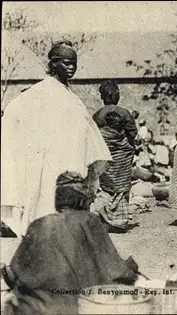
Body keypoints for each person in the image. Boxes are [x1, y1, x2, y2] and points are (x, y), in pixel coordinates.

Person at [0, 40, 111, 238]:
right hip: (48, 165)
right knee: (46, 210)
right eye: (66, 63)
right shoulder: (41, 91)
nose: (71, 68)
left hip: (70, 164)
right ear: (53, 64)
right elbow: (12, 113)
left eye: (74, 64)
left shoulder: (69, 95)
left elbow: (85, 128)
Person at [1, 172, 140, 315]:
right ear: (82, 199)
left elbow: (12, 273)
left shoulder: (38, 224)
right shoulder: (88, 220)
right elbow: (116, 269)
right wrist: (130, 268)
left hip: (37, 308)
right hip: (78, 306)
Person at [91, 80, 138, 232]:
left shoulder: (97, 115)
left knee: (106, 185)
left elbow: (93, 136)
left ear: (103, 97)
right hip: (123, 157)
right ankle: (119, 221)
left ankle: (104, 217)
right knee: (122, 186)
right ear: (117, 96)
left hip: (104, 155)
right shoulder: (124, 113)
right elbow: (133, 133)